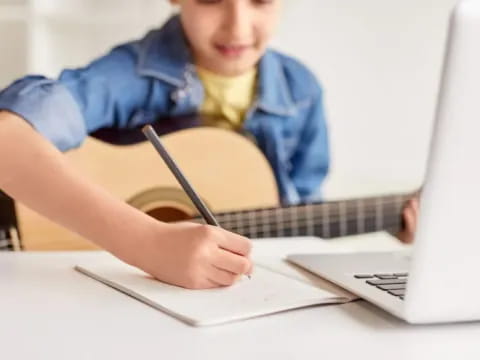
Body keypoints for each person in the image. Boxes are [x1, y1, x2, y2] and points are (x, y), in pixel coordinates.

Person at [0, 0, 416, 289]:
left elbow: (301, 221)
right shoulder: (129, 75)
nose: (236, 26)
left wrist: (392, 219)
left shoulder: (301, 91)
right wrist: (147, 242)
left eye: (261, 1)